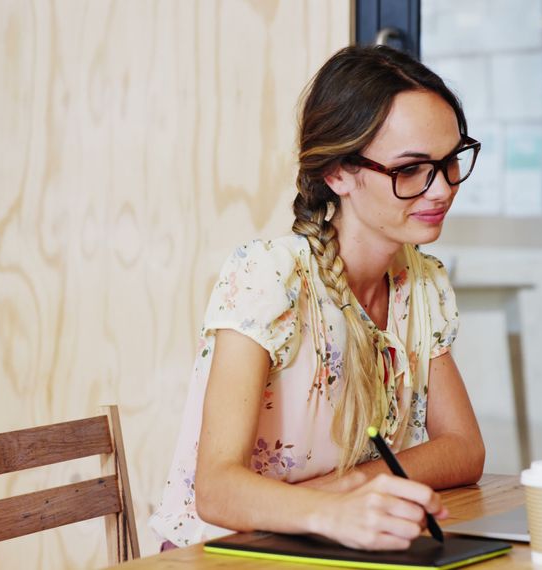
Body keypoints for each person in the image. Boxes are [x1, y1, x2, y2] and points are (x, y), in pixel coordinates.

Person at [150, 44, 486, 552]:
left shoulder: (423, 282)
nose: (441, 190)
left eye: (451, 161)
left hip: (331, 547)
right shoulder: (267, 276)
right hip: (228, 553)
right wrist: (334, 507)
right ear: (337, 174)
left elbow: (464, 449)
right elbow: (216, 491)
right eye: (411, 169)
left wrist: (350, 487)